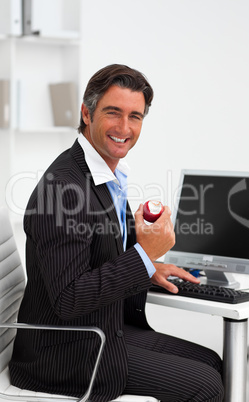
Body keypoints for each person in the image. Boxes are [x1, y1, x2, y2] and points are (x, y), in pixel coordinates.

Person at [10, 64, 224, 402]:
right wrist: (143, 255)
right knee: (205, 385)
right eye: (113, 112)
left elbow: (100, 257)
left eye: (135, 116)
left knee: (211, 361)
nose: (124, 128)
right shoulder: (64, 188)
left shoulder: (107, 175)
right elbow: (69, 299)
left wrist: (149, 268)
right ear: (87, 112)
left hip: (104, 327)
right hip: (67, 350)